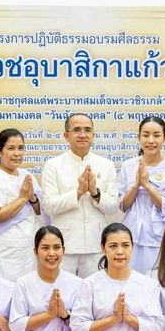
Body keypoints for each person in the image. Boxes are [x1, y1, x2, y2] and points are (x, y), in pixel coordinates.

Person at [41, 113, 119, 277]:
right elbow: (49, 205)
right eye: (77, 130)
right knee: (63, 294)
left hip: (95, 243)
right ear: (66, 136)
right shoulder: (53, 165)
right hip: (64, 245)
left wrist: (95, 193)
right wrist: (78, 192)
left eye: (87, 130)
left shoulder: (106, 165)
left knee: (94, 296)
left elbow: (113, 207)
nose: (83, 135)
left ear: (93, 135)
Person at [119, 116, 165, 274]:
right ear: (138, 137)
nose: (151, 140)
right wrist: (136, 184)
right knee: (130, 280)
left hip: (158, 236)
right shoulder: (128, 166)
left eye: (156, 135)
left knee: (154, 279)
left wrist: (148, 186)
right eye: (145, 135)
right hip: (131, 233)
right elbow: (122, 205)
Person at [0, 128, 43, 280]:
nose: (17, 153)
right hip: (6, 250)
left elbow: (39, 209)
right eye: (11, 148)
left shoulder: (27, 175)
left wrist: (32, 198)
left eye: (21, 148)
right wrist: (22, 198)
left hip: (29, 248)